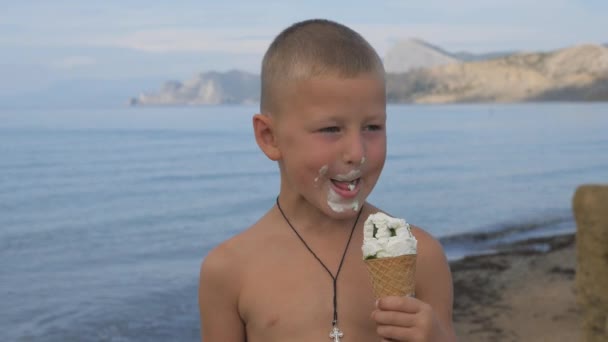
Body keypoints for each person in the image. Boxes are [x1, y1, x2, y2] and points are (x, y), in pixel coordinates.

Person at [198, 18, 456, 342]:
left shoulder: (423, 256)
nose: (356, 152)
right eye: (331, 129)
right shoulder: (229, 271)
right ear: (270, 137)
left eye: (372, 127)